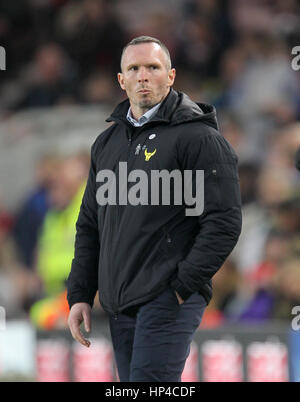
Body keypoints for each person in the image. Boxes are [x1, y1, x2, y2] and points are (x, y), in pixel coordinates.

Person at [67, 36, 242, 382]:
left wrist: (181, 286)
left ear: (171, 76)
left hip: (168, 298)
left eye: (153, 67)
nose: (143, 76)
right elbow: (90, 225)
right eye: (134, 68)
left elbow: (224, 221)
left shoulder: (199, 139)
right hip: (119, 303)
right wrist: (80, 294)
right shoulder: (107, 143)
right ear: (122, 80)